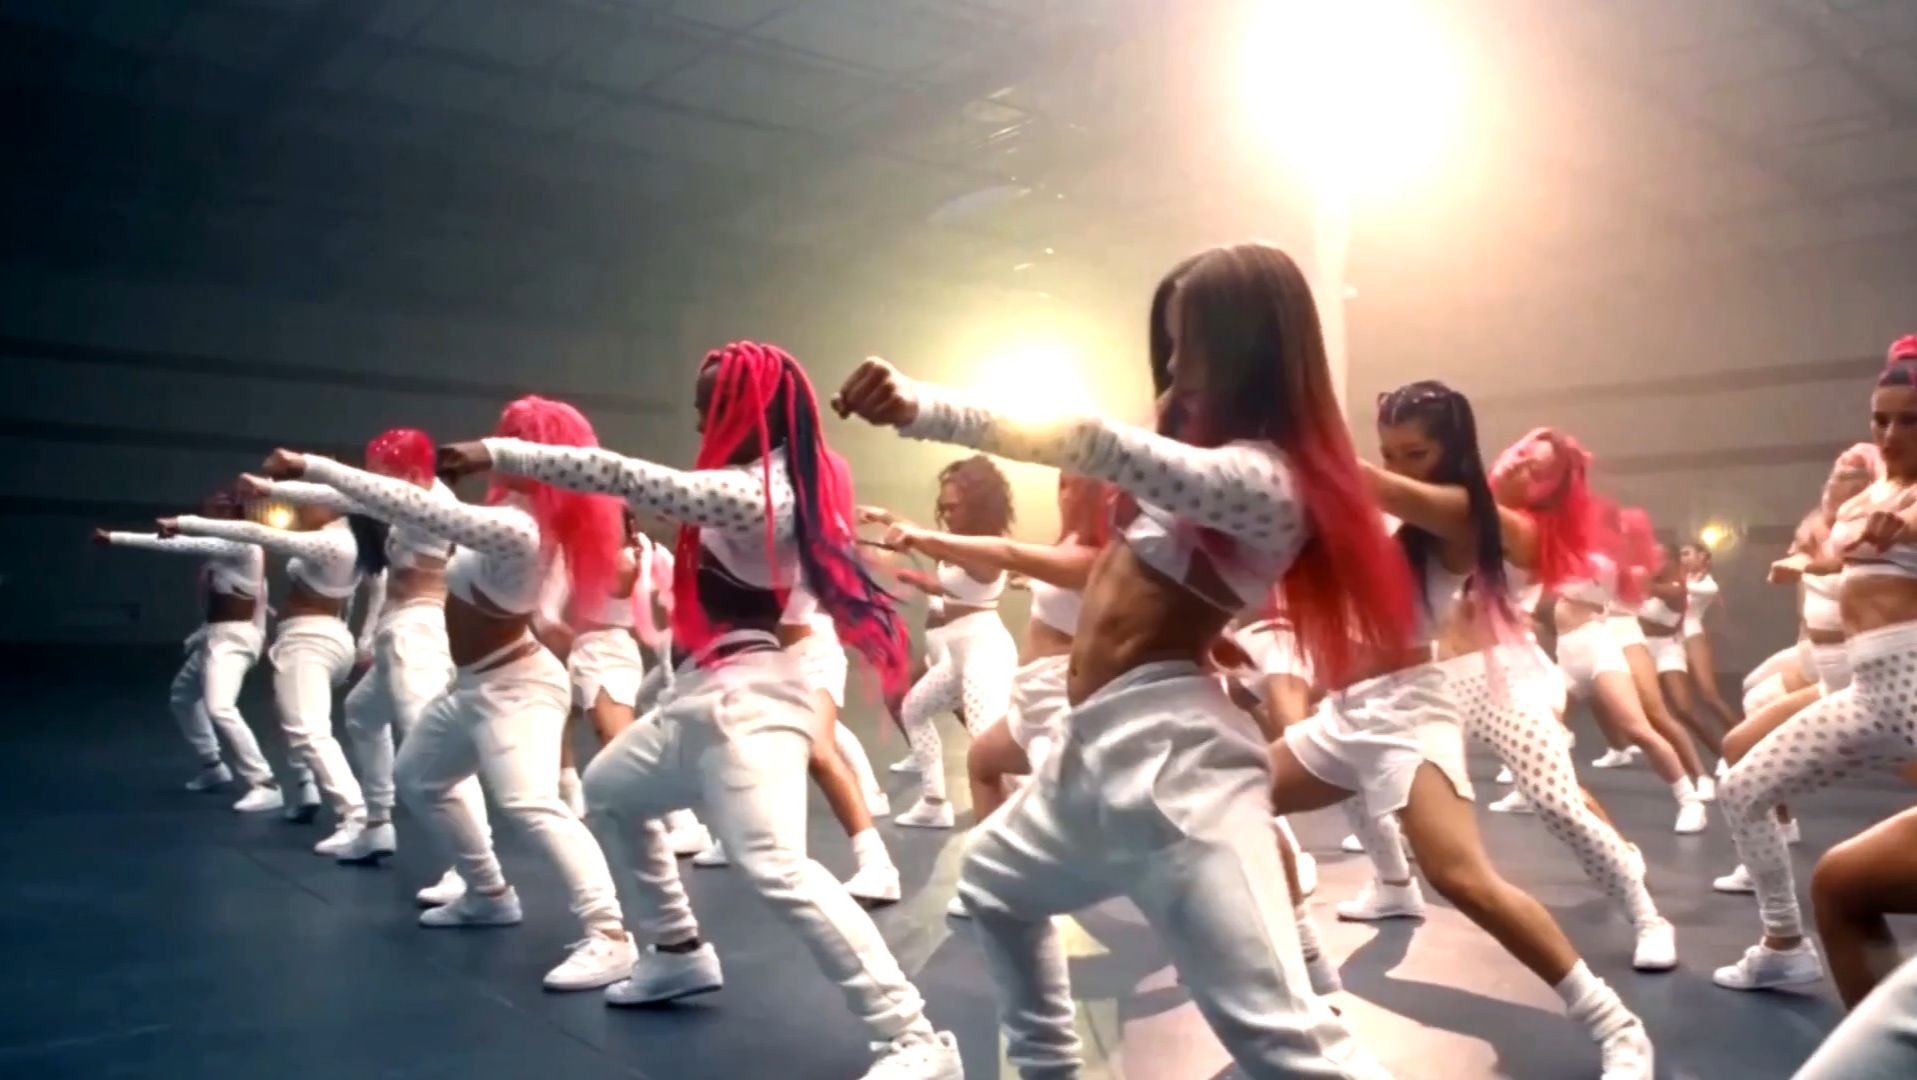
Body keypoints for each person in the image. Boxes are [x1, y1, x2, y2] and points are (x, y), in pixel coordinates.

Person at [837, 242, 1411, 1078]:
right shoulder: (1202, 479)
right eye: (1168, 343)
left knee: (1281, 1041)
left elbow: (1091, 442)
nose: (1173, 366)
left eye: (1191, 344)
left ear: (1246, 347)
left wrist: (921, 406)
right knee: (992, 887)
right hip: (1094, 745)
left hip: (1172, 767)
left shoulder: (1263, 478)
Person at [446, 342, 962, 1078]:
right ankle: (678, 950)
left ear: (751, 410)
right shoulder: (753, 482)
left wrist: (499, 452)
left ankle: (912, 1036)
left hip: (752, 702)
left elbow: (625, 477)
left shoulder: (765, 495)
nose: (697, 419)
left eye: (708, 405)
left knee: (776, 866)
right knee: (611, 790)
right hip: (699, 697)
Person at [261, 396, 641, 992]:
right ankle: (487, 891)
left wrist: (311, 465)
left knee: (530, 804)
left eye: (513, 440)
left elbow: (408, 504)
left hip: (516, 686)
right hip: (471, 685)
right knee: (419, 777)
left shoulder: (520, 528)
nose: (498, 447)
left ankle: (610, 933)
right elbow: (388, 501)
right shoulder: (509, 511)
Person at [1332, 388, 1675, 974]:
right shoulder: (1420, 506)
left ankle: (1647, 915)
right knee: (1341, 761)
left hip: (1500, 678)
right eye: (1520, 453)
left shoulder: (1499, 523)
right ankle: (1393, 883)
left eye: (1539, 470)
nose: (1521, 466)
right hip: (1423, 677)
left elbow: (1401, 498)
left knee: (1557, 802)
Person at [1714, 338, 1917, 993]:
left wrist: (1906, 529)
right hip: (1868, 693)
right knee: (1741, 788)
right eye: (1880, 419)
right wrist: (1805, 561)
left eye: (1909, 420)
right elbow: (1843, 557)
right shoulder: (1867, 500)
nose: (1890, 434)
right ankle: (1782, 942)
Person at [246, 429, 487, 866]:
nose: (375, 481)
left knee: (431, 740)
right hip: (400, 630)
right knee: (362, 713)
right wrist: (272, 489)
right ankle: (376, 825)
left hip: (418, 633)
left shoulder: (428, 502)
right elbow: (346, 495)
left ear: (408, 472)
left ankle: (471, 860)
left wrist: (302, 464)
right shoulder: (404, 499)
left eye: (382, 473)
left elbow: (351, 489)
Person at [879, 470, 1107, 915]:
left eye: (1076, 483)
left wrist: (917, 535)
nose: (1064, 493)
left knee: (1046, 788)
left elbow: (1006, 554)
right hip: (1014, 678)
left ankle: (1030, 875)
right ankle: (980, 858)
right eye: (1062, 482)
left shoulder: (1091, 552)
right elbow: (1016, 568)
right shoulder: (1068, 543)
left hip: (1030, 677)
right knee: (961, 742)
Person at [165, 482, 368, 845]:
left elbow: (257, 535)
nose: (301, 508)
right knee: (289, 716)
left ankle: (355, 815)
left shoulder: (332, 541)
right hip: (308, 635)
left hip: (310, 639)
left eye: (309, 501)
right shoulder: (339, 538)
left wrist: (178, 524)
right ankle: (306, 788)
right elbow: (262, 592)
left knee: (306, 729)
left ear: (333, 506)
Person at [95, 487, 279, 811]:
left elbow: (179, 543)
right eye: (214, 505)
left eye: (226, 505)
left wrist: (115, 538)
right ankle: (213, 766)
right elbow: (257, 593)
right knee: (183, 695)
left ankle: (264, 782)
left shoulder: (242, 542)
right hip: (215, 636)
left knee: (220, 707)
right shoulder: (219, 553)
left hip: (233, 639)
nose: (220, 507)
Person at [869, 455, 1019, 827]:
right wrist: (886, 517)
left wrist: (904, 530)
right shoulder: (958, 543)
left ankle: (1025, 812)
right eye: (944, 508)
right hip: (957, 653)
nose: (947, 515)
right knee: (913, 709)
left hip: (984, 652)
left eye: (955, 507)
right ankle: (934, 802)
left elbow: (936, 546)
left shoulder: (988, 546)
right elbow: (945, 564)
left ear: (978, 504)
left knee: (987, 747)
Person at [1678, 542, 1741, 732]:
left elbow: (1681, 590)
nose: (1682, 558)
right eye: (1681, 555)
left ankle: (1741, 733)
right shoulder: (1679, 578)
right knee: (1680, 701)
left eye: (1687, 553)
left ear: (1702, 556)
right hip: (1670, 639)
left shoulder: (1709, 585)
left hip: (1691, 634)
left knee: (1709, 694)